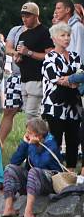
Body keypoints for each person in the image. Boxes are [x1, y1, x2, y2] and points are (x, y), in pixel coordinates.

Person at [0, 118, 64, 217]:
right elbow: (14, 161)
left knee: (33, 171)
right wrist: (24, 144)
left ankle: (28, 212)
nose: (27, 135)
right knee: (9, 168)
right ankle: (8, 209)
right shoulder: (30, 142)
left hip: (50, 181)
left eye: (29, 133)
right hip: (33, 180)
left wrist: (32, 146)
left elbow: (39, 165)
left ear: (39, 135)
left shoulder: (51, 143)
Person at [42, 22, 81, 168]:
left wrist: (69, 79)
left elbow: (81, 75)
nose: (66, 38)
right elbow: (55, 78)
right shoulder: (49, 57)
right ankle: (55, 172)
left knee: (73, 140)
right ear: (54, 38)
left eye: (68, 35)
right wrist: (72, 79)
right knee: (55, 140)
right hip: (54, 105)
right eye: (62, 35)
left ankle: (70, 172)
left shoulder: (76, 56)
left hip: (73, 104)